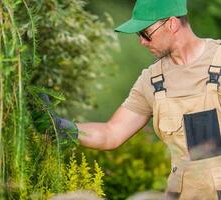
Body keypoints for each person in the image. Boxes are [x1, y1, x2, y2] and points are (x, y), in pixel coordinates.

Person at [39, 0, 221, 199]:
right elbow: (111, 133)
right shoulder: (152, 81)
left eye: (145, 33)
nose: (142, 41)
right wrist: (61, 127)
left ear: (171, 24)